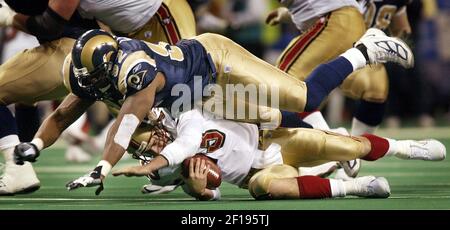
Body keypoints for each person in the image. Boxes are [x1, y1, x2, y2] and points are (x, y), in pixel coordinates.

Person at [13, 27, 414, 195]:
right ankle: (331, 149)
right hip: (197, 100)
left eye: (96, 80)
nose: (91, 88)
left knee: (303, 98)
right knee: (267, 121)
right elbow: (62, 115)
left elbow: (127, 120)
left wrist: (101, 167)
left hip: (215, 65)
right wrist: (35, 144)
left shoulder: (137, 72)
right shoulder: (91, 71)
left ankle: (366, 48)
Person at [0, 0, 196, 195]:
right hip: (95, 46)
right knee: (142, 118)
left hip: (83, 50)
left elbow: (50, 24)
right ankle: (180, 165)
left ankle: (204, 156)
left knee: (171, 100)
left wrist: (10, 17)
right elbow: (61, 116)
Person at [106, 107, 445, 200]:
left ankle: (403, 148)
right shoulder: (161, 170)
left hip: (273, 140)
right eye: (137, 147)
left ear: (153, 121)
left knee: (350, 145)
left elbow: (187, 141)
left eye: (142, 137)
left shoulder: (187, 116)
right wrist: (201, 193)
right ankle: (357, 187)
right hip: (259, 175)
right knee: (262, 189)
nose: (146, 146)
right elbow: (213, 189)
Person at [266, 0, 414, 177]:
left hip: (335, 22)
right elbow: (403, 30)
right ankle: (351, 152)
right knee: (376, 89)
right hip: (353, 33)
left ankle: (336, 146)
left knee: (282, 90)